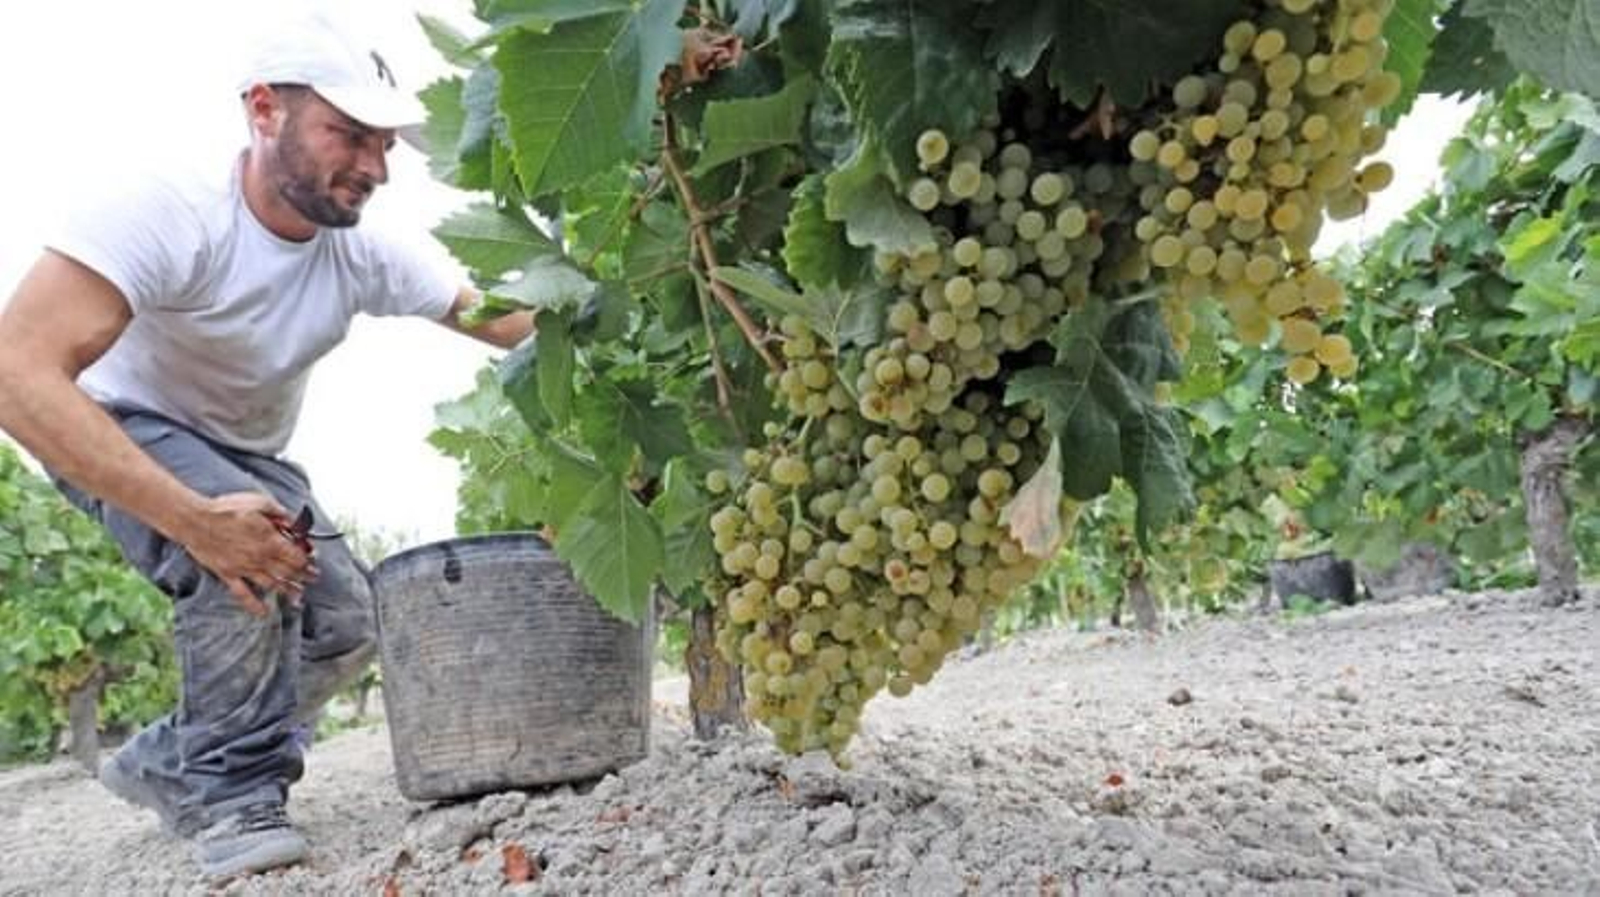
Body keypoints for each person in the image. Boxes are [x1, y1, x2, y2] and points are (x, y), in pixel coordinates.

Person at [0, 14, 533, 880]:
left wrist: (623, 302)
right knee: (245, 558)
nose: (374, 165)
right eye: (348, 133)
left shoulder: (360, 252)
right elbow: (15, 372)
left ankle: (170, 756)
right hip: (120, 423)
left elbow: (503, 320)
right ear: (262, 110)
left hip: (249, 452)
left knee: (348, 621)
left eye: (384, 144)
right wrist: (194, 520)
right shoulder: (170, 213)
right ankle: (232, 797)